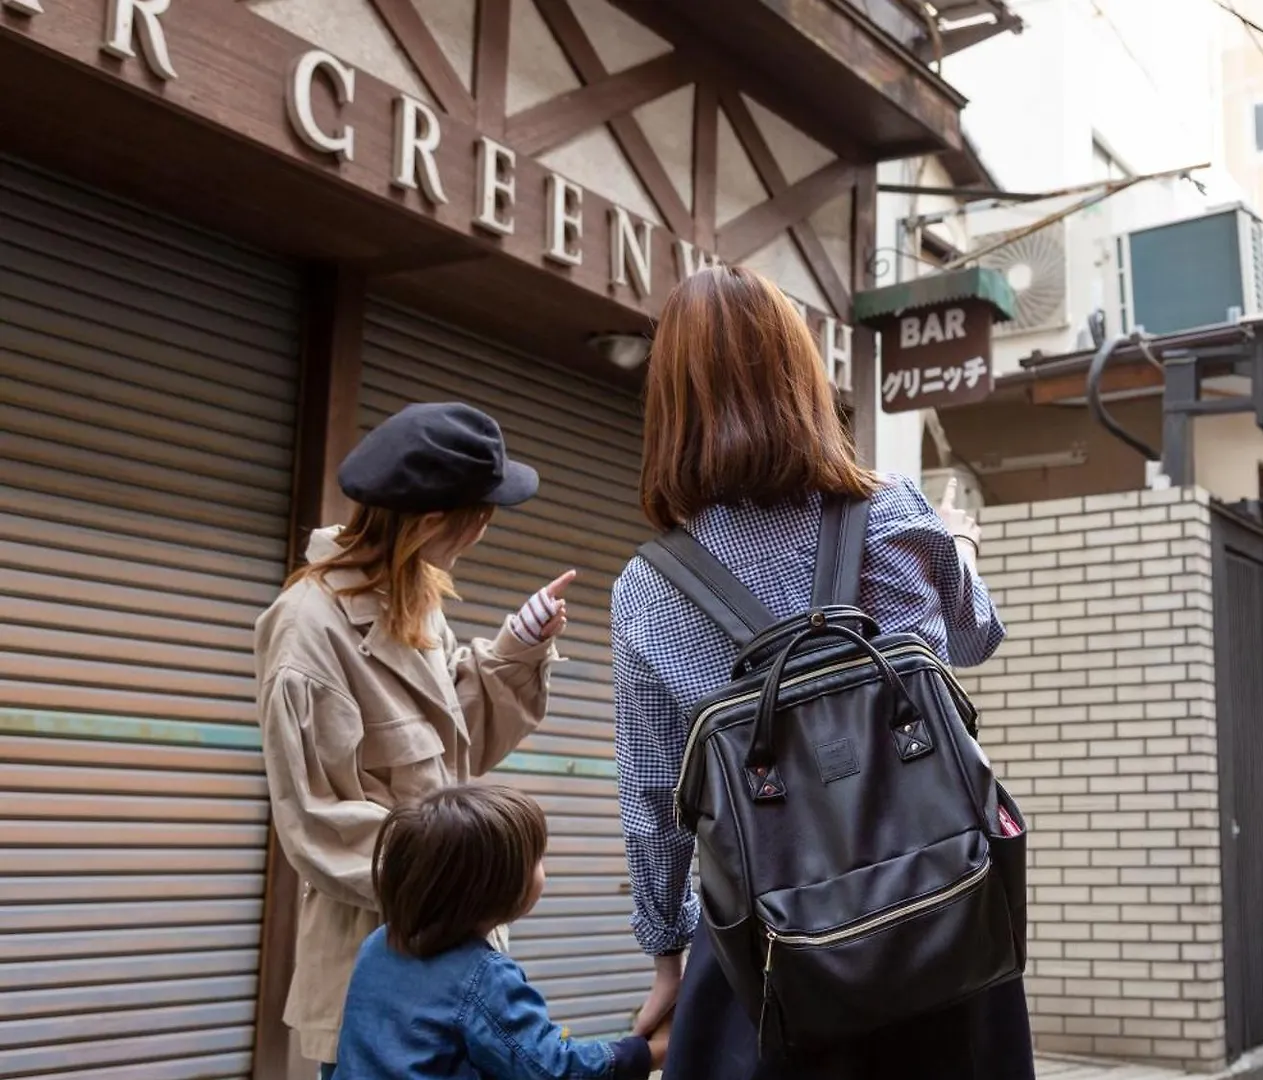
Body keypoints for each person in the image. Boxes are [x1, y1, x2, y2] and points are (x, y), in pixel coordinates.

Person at [610, 266, 1033, 1080]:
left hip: (766, 951)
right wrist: (960, 546)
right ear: (800, 377)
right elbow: (976, 637)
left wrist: (668, 950)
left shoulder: (649, 587)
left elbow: (654, 801)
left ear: (670, 407)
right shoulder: (893, 512)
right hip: (941, 920)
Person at [255, 402, 576, 1075]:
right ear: (431, 522)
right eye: (477, 520)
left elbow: (451, 753)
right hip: (377, 971)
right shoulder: (306, 630)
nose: (479, 535)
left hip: (460, 957)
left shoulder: (413, 599)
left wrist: (516, 648)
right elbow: (315, 824)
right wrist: (480, 867)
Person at [332, 784, 666, 1079]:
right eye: (537, 858)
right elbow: (552, 1068)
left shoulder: (379, 944)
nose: (543, 867)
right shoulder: (483, 978)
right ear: (497, 888)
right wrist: (647, 1053)